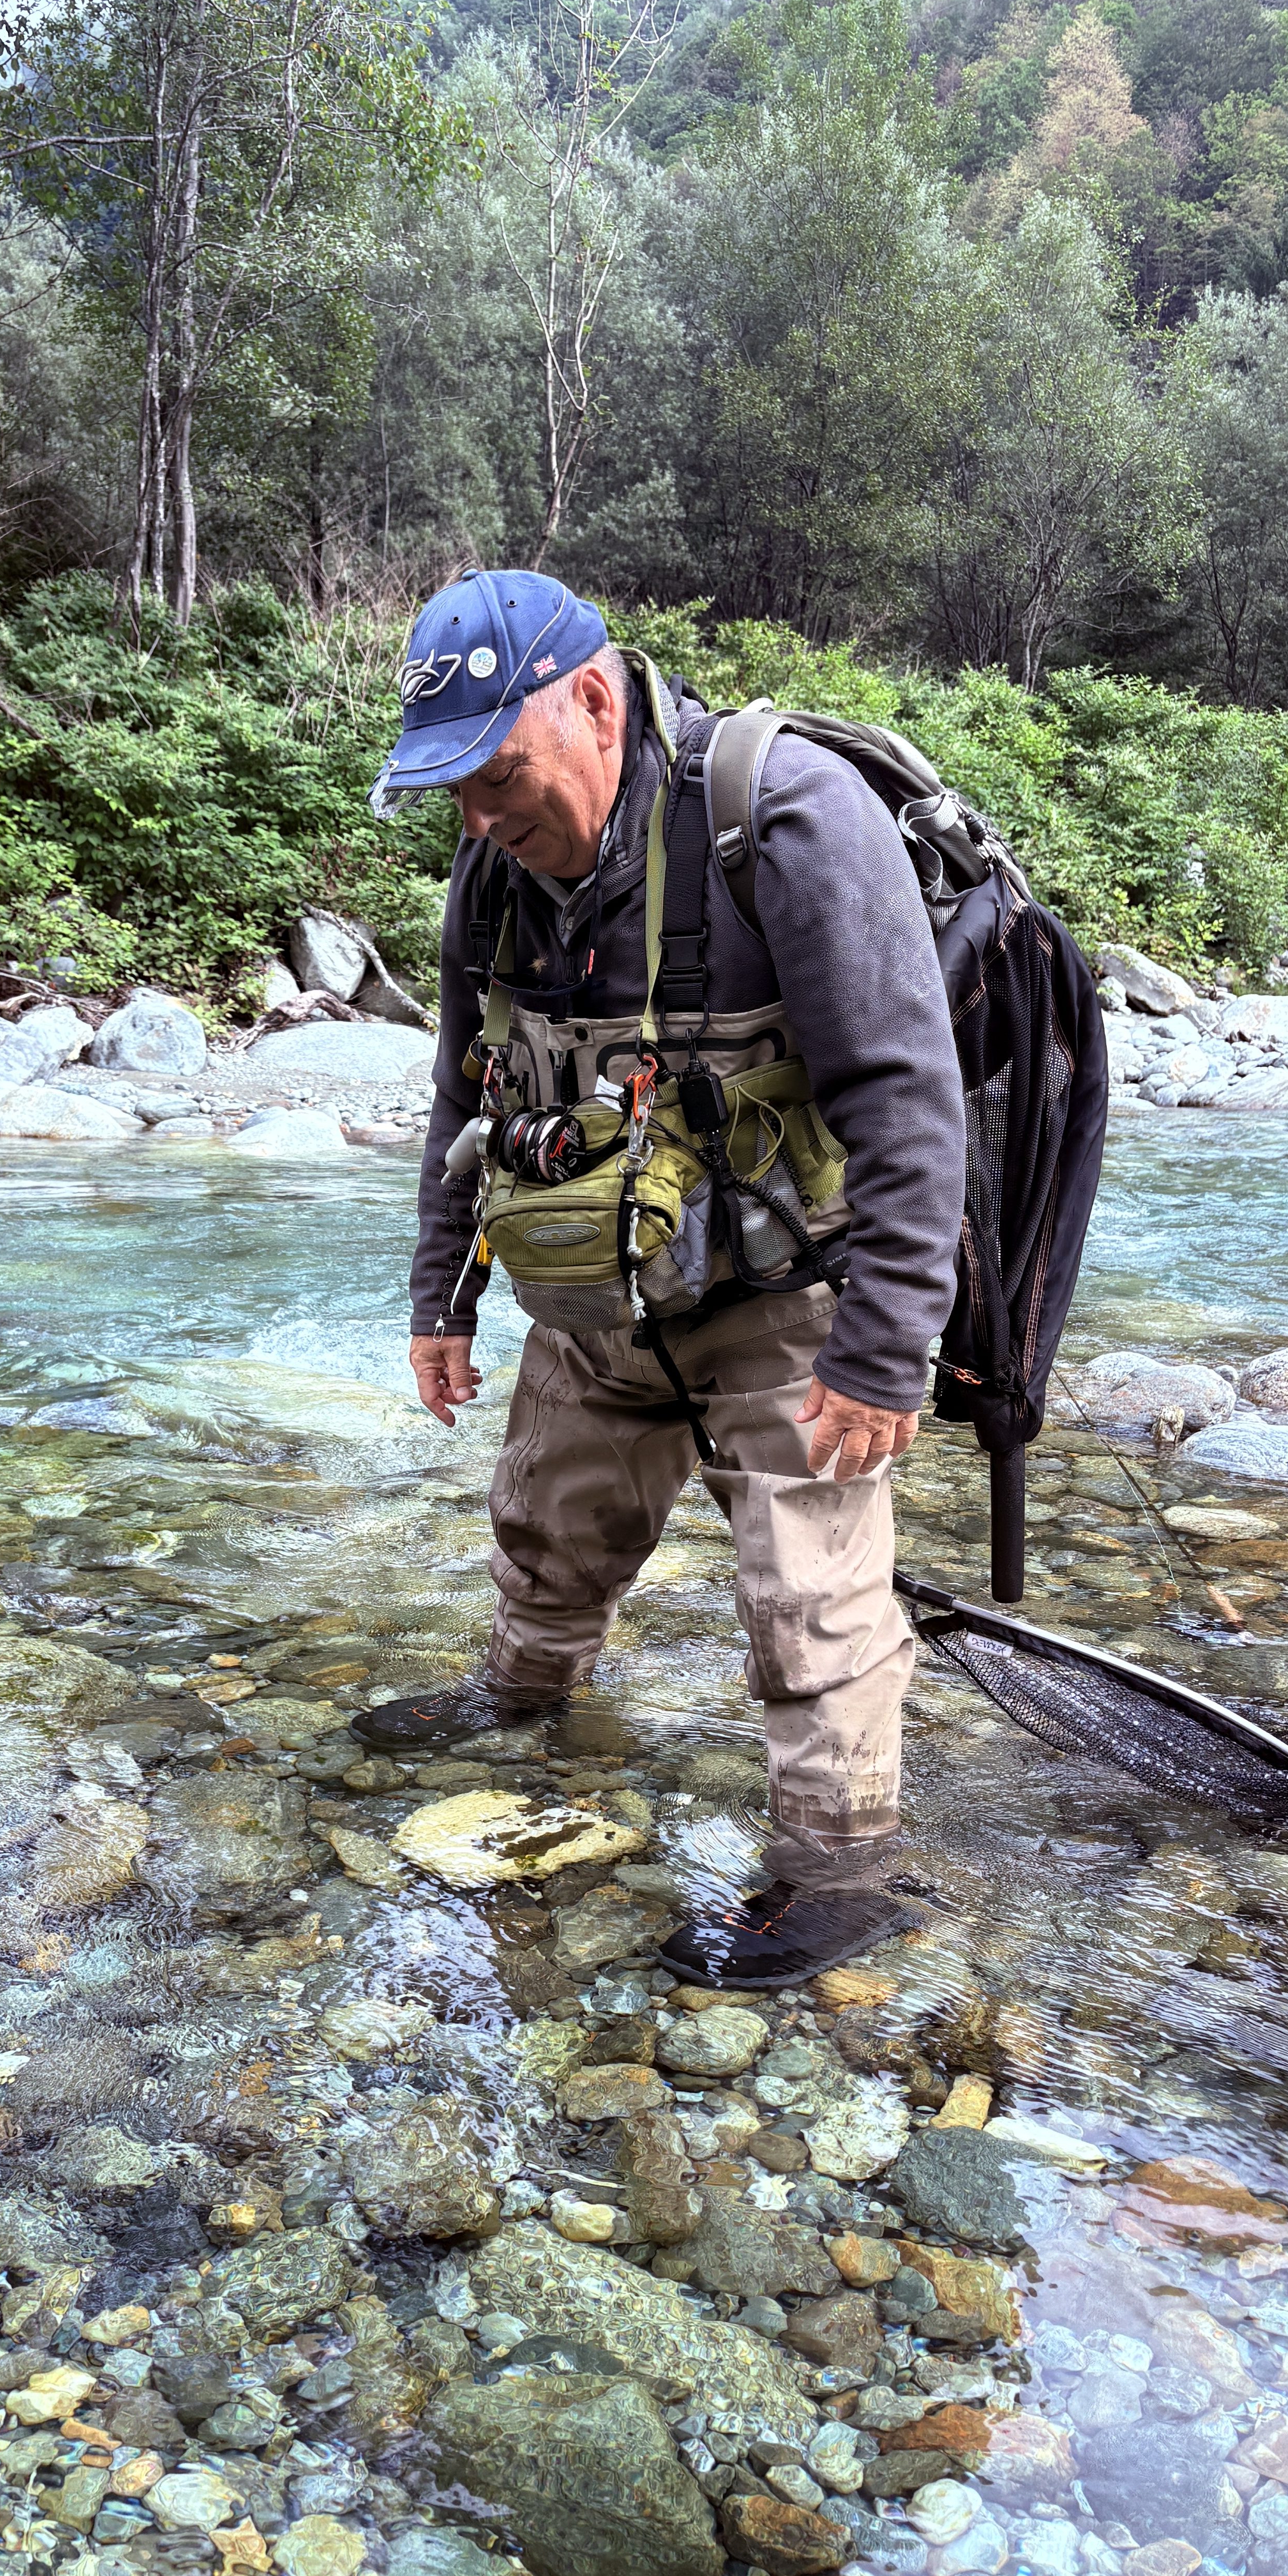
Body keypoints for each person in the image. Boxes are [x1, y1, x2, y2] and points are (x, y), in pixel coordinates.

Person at [350, 567, 967, 1989]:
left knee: (810, 1615)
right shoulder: (492, 869)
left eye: (494, 773)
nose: (477, 817)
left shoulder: (787, 816)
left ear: (590, 699)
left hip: (782, 1308)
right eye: (450, 790)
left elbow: (906, 1096)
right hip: (587, 1296)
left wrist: (885, 1356)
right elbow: (466, 1094)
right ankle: (518, 1704)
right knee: (542, 1533)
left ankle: (837, 1876)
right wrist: (440, 1301)